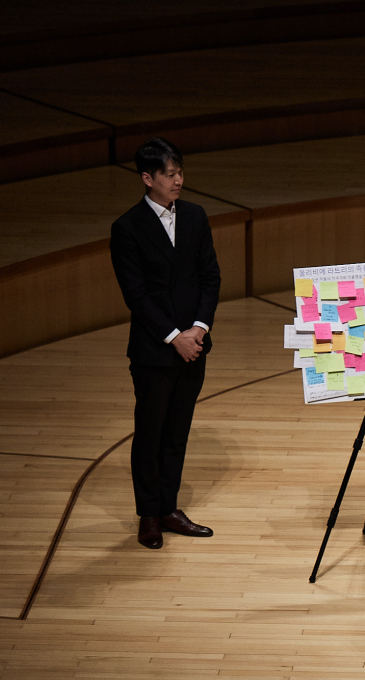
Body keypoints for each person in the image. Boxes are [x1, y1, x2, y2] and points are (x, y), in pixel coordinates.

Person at [110, 137, 221, 550]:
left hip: (195, 344)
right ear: (147, 178)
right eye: (169, 174)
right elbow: (135, 295)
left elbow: (210, 277)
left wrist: (198, 329)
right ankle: (149, 515)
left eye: (179, 173)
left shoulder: (195, 216)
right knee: (150, 433)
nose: (178, 181)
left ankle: (170, 507)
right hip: (155, 350)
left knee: (178, 431)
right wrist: (175, 337)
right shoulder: (127, 228)